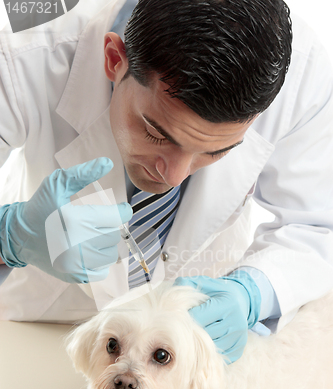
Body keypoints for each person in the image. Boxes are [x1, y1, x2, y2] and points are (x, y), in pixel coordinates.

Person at [0, 0, 332, 363]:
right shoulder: (26, 49)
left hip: (191, 345)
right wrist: (12, 235)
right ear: (115, 59)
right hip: (42, 323)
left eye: (215, 151)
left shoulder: (303, 73)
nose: (172, 176)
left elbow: (317, 225)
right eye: (157, 133)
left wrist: (251, 294)